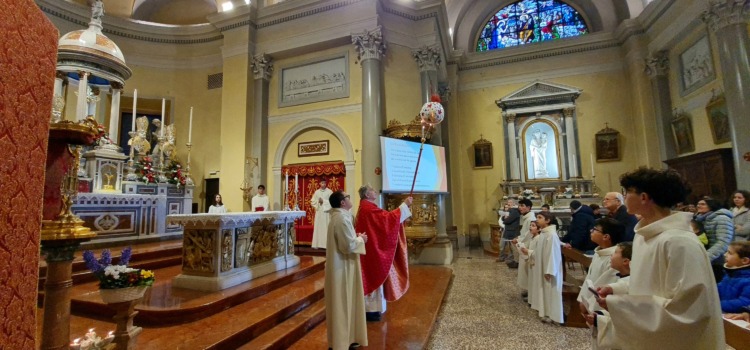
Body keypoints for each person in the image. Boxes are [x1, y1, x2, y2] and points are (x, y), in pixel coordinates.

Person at [593, 167, 724, 349]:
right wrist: (616, 289)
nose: (625, 197)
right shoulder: (644, 235)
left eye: (627, 192)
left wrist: (618, 305)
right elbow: (647, 281)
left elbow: (688, 310)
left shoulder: (679, 242)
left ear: (644, 197)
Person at [355, 185, 413, 322]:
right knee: (372, 276)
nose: (375, 192)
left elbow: (385, 219)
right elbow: (387, 220)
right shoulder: (367, 208)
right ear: (367, 194)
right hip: (371, 250)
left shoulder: (366, 206)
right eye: (372, 190)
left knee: (370, 276)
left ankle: (373, 310)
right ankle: (371, 311)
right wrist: (404, 205)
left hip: (369, 248)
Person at [324, 190, 368, 350]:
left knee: (346, 302)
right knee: (343, 303)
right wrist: (361, 239)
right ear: (343, 202)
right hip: (341, 269)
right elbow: (347, 246)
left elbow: (347, 241)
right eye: (347, 197)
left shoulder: (340, 217)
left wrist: (356, 238)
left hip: (343, 266)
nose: (350, 199)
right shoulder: (342, 219)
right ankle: (341, 342)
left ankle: (349, 337)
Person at [585, 242, 632, 350]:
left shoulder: (632, 286)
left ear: (626, 261)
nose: (611, 255)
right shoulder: (622, 282)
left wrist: (598, 320)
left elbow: (626, 322)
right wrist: (600, 314)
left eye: (615, 252)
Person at [577, 218, 625, 323]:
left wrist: (589, 303)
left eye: (595, 229)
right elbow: (589, 279)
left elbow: (604, 284)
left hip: (601, 307)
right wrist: (583, 299)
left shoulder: (614, 257)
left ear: (606, 236)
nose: (591, 231)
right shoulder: (599, 252)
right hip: (589, 301)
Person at [524, 211, 563, 324]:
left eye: (540, 218)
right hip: (542, 267)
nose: (537, 220)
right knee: (544, 291)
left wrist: (550, 271)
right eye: (536, 217)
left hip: (549, 270)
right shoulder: (544, 234)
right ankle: (545, 312)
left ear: (547, 220)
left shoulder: (551, 235)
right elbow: (538, 251)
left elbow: (553, 254)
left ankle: (552, 315)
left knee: (550, 291)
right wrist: (531, 253)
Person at [695, 197, 734, 282]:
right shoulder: (699, 219)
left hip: (718, 259)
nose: (698, 205)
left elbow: (723, 241)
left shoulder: (722, 218)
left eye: (703, 204)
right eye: (698, 204)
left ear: (711, 206)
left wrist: (707, 256)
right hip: (706, 258)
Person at [717, 241, 750, 313]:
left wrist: (717, 304)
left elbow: (744, 302)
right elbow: (718, 289)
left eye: (729, 253)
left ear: (745, 260)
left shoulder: (747, 280)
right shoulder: (730, 274)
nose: (725, 255)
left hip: (736, 318)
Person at [310, 178, 333, 249]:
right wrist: (318, 202)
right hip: (319, 212)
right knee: (319, 228)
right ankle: (317, 244)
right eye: (322, 183)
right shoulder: (317, 192)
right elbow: (312, 201)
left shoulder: (330, 192)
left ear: (326, 183)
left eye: (324, 183)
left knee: (326, 227)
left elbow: (332, 202)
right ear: (319, 183)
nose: (323, 184)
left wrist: (323, 201)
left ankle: (327, 245)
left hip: (326, 213)